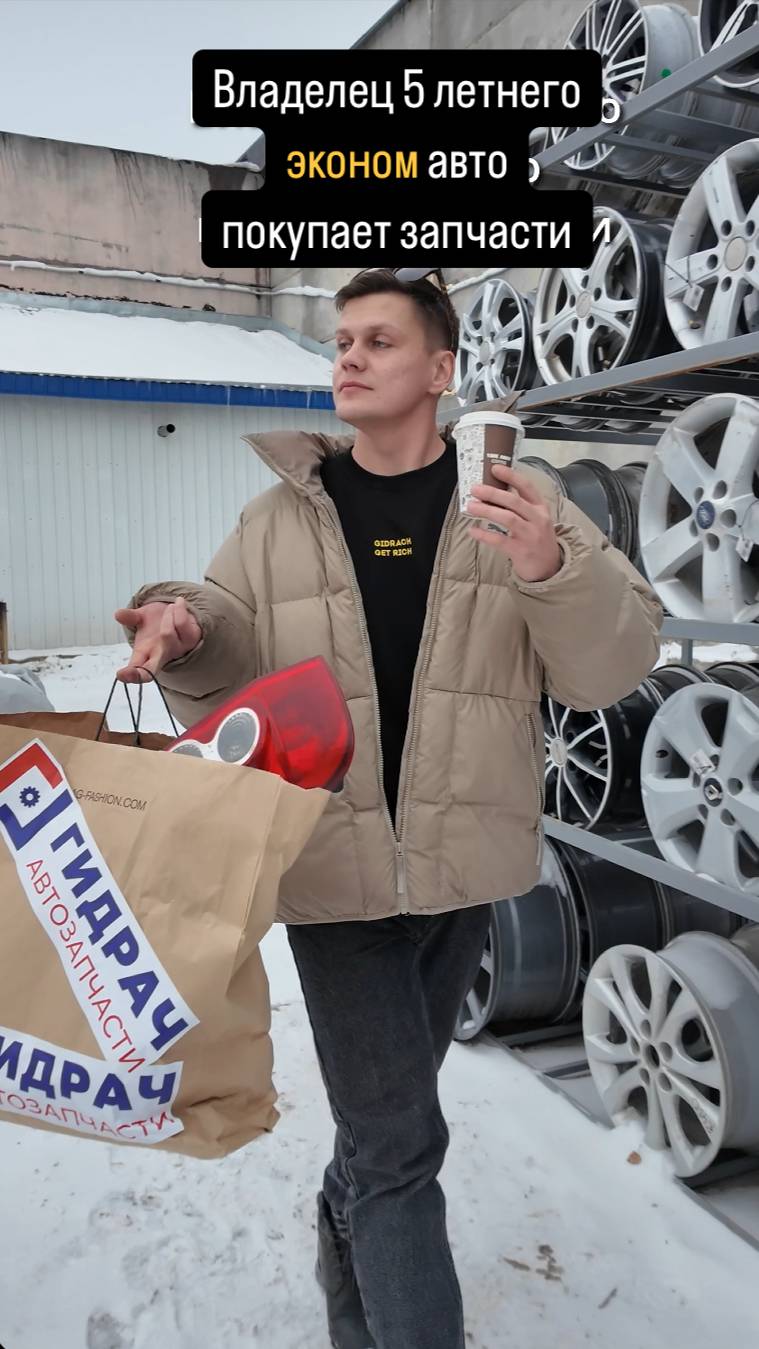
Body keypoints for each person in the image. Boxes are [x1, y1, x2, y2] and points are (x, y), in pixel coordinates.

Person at [115, 266, 662, 1349]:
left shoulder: (516, 501)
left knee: (382, 1128)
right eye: (342, 342)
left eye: (378, 341)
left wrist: (552, 566)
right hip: (331, 867)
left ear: (441, 368)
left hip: (463, 868)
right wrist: (182, 624)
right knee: (404, 1147)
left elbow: (615, 662)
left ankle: (341, 1220)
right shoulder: (278, 515)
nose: (350, 359)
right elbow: (226, 628)